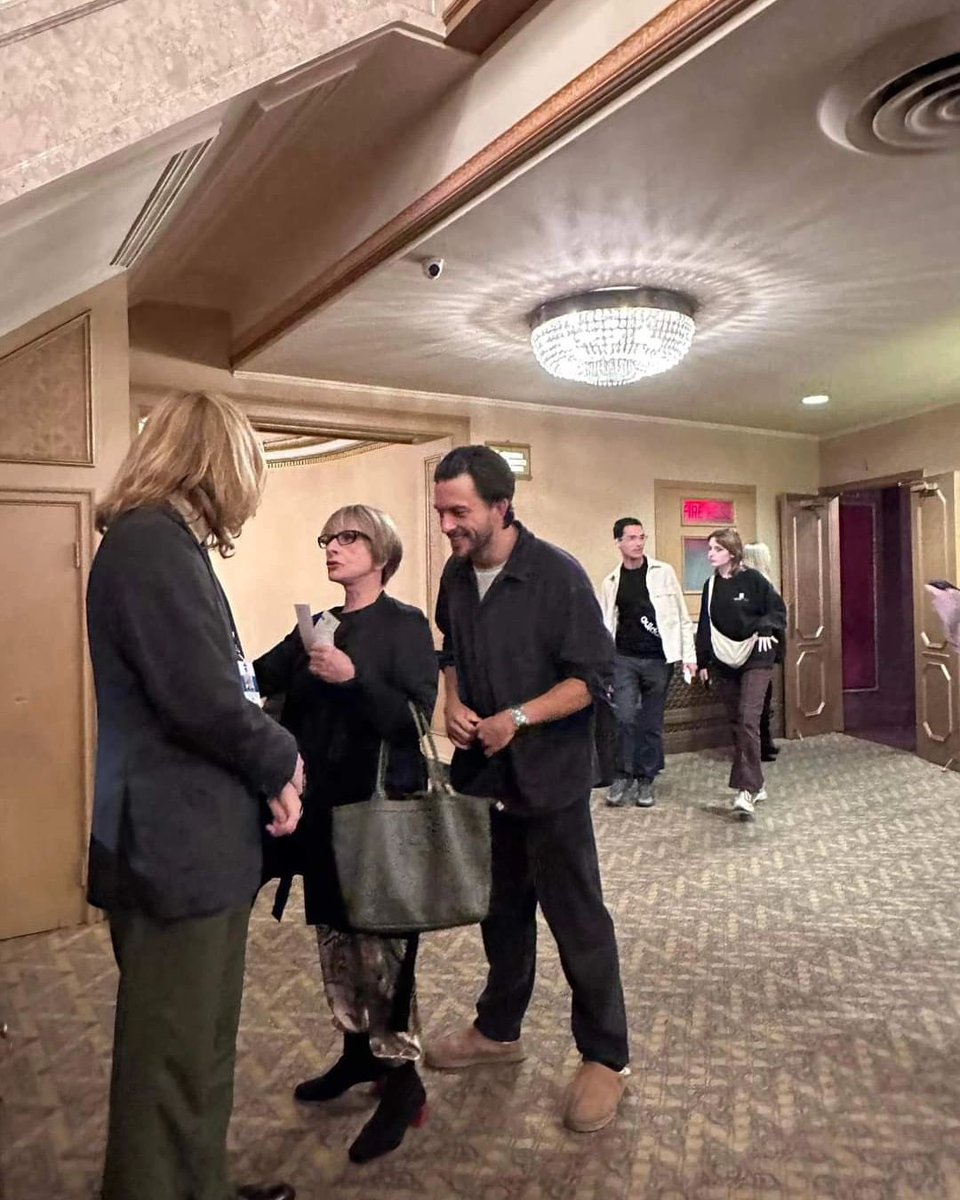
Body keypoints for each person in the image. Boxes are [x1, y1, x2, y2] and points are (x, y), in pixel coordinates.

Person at [86, 390, 304, 1200]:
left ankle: (198, 1184)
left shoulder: (164, 543)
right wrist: (282, 758)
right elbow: (204, 698)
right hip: (173, 847)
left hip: (193, 843)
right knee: (166, 1068)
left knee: (201, 1049)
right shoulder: (148, 544)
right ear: (217, 464)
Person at [426, 445, 629, 1134]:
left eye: (459, 512)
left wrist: (519, 717)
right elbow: (449, 647)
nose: (448, 525)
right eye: (441, 512)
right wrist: (451, 700)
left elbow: (592, 679)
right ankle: (498, 1030)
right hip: (487, 779)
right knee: (501, 913)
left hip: (551, 780)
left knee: (577, 919)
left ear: (500, 506)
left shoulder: (558, 577)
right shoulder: (456, 577)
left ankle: (606, 1057)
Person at [253, 505, 438, 1164]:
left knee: (385, 951)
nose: (332, 547)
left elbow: (417, 717)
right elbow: (261, 676)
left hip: (382, 814)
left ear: (380, 550)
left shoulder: (405, 625)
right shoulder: (319, 625)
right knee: (336, 939)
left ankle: (403, 1079)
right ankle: (357, 1055)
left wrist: (355, 681)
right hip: (323, 815)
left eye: (347, 537)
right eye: (327, 538)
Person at [598, 517, 696, 807]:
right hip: (624, 658)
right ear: (618, 542)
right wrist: (604, 666)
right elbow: (605, 624)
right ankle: (622, 774)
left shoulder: (663, 573)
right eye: (631, 538)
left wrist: (689, 657)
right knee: (624, 717)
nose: (638, 543)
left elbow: (680, 616)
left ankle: (646, 779)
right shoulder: (611, 582)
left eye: (642, 537)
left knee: (650, 722)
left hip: (658, 658)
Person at [695, 527, 786, 821]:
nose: (711, 553)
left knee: (749, 718)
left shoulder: (754, 580)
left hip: (757, 656)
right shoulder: (710, 586)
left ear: (732, 553)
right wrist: (703, 662)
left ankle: (746, 790)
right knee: (737, 722)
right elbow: (705, 627)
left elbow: (777, 610)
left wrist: (765, 627)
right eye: (709, 548)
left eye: (717, 549)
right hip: (724, 659)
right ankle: (756, 784)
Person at [742, 542, 781, 763]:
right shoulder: (759, 585)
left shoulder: (757, 584)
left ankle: (764, 743)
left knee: (762, 702)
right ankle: (761, 746)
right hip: (758, 650)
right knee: (759, 704)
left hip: (761, 649)